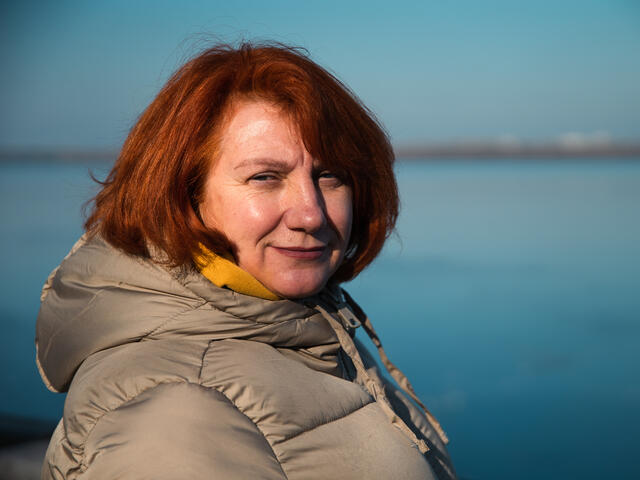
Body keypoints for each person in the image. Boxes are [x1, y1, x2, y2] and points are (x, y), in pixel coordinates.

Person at [36, 42, 456, 479]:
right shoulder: (173, 417)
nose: (311, 213)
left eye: (330, 176)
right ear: (185, 195)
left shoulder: (309, 327)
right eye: (265, 177)